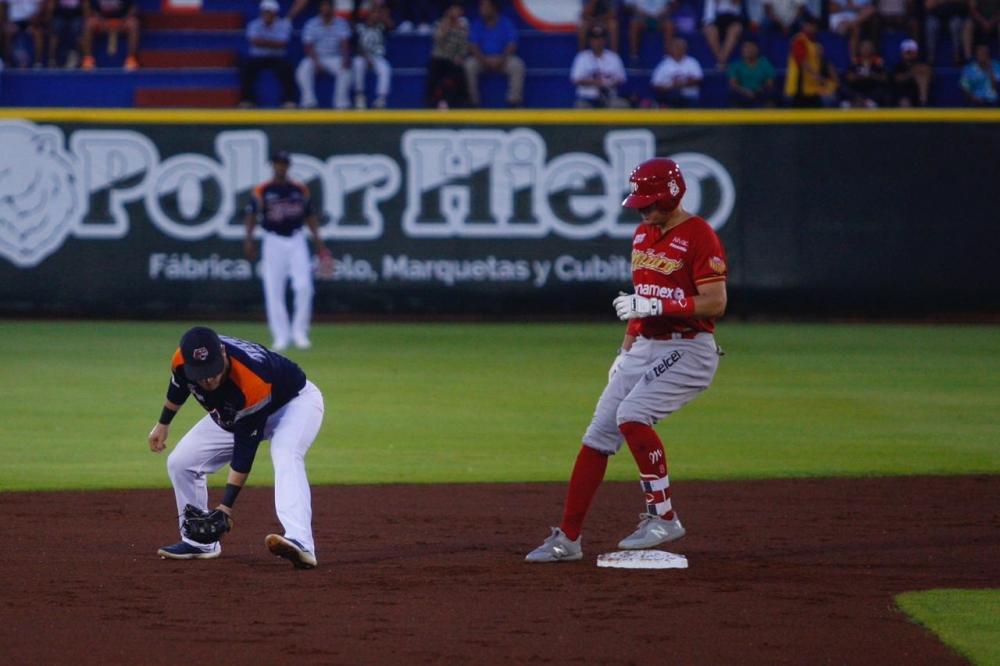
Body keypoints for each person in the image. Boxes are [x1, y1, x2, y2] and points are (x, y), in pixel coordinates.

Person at [525, 157, 727, 564]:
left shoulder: (700, 234)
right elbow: (639, 306)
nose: (643, 209)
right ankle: (568, 539)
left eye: (650, 202)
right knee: (597, 435)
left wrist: (657, 303)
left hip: (689, 347)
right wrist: (625, 348)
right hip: (646, 346)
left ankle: (664, 516)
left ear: (672, 194)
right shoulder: (641, 236)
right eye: (639, 203)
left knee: (632, 415)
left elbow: (715, 302)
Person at [149, 326, 325, 569]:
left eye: (211, 370)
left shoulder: (251, 378)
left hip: (292, 404)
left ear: (222, 353)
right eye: (200, 373)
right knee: (181, 463)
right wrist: (162, 424)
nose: (207, 378)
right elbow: (179, 385)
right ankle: (199, 543)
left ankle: (301, 540)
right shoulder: (182, 359)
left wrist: (225, 506)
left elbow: (245, 448)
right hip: (236, 411)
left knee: (286, 453)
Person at [243, 150, 329, 352]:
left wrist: (319, 243)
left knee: (304, 286)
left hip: (296, 238)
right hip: (272, 239)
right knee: (274, 289)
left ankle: (300, 333)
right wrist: (248, 240)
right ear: (273, 166)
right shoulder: (263, 190)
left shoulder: (299, 189)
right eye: (277, 163)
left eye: (284, 163)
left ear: (288, 166)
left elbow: (310, 216)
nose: (281, 167)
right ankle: (281, 336)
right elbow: (251, 215)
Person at [464, 0, 525, 108]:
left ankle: (514, 101)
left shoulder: (506, 23)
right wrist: (484, 59)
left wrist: (501, 59)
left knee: (517, 65)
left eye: (486, 7)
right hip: (482, 59)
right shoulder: (478, 24)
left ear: (494, 9)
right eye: (481, 7)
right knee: (469, 65)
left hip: (502, 59)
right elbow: (473, 46)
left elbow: (512, 45)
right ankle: (472, 102)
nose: (482, 10)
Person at [239, 0, 296, 109]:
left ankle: (288, 100)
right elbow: (254, 41)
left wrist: (263, 42)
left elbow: (282, 44)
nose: (266, 14)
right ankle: (249, 100)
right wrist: (272, 42)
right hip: (258, 57)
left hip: (277, 57)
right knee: (246, 69)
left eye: (269, 12)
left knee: (287, 69)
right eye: (265, 12)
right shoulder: (254, 24)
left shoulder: (283, 25)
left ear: (275, 13)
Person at [295, 0, 352, 109]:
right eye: (323, 6)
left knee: (345, 71)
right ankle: (309, 102)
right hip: (316, 57)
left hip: (334, 57)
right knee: (302, 69)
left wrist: (345, 58)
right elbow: (308, 46)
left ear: (332, 8)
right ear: (320, 8)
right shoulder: (311, 23)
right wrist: (316, 62)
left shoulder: (341, 23)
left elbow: (345, 43)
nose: (326, 8)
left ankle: (341, 103)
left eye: (328, 6)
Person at [571, 25, 629, 107]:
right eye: (594, 39)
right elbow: (576, 79)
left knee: (622, 105)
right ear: (590, 41)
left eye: (600, 39)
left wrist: (609, 83)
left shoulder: (613, 57)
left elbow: (621, 79)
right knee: (580, 106)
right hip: (587, 98)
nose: (598, 42)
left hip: (609, 97)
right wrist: (594, 83)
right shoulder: (582, 57)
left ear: (605, 40)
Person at [425, 0, 470, 109]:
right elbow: (437, 39)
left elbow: (464, 47)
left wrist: (460, 57)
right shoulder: (439, 23)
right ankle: (431, 100)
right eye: (453, 9)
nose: (455, 12)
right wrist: (446, 27)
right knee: (434, 66)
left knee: (459, 71)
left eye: (457, 10)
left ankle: (458, 101)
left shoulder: (463, 27)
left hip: (453, 59)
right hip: (439, 58)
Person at [352, 0, 393, 109]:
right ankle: (360, 95)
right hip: (363, 57)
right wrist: (367, 59)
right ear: (369, 14)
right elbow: (357, 46)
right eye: (373, 13)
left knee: (385, 68)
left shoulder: (381, 27)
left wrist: (383, 13)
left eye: (377, 13)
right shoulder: (360, 27)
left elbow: (392, 25)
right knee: (357, 63)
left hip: (378, 58)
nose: (375, 16)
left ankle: (381, 99)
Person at [80, 0, 139, 70]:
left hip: (121, 21)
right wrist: (102, 21)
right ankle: (88, 59)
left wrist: (123, 20)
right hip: (102, 21)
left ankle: (131, 59)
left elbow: (133, 8)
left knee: (133, 24)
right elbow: (93, 10)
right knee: (89, 24)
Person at [784, 15, 826, 107]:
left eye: (815, 26)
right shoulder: (799, 40)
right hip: (800, 87)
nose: (814, 28)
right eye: (812, 26)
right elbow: (802, 61)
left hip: (812, 87)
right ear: (805, 26)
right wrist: (816, 75)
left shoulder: (815, 42)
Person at [650, 36, 704, 106]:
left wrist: (683, 84)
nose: (678, 49)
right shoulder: (664, 64)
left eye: (680, 47)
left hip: (689, 96)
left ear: (685, 49)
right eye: (676, 47)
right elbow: (655, 84)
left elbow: (699, 79)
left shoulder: (692, 61)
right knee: (672, 97)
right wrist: (671, 87)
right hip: (669, 96)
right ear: (670, 49)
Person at [728, 39, 778, 107]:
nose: (748, 50)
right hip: (742, 94)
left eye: (751, 47)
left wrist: (757, 91)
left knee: (771, 92)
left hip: (760, 93)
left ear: (757, 50)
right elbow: (733, 84)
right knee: (732, 93)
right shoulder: (735, 65)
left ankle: (769, 116)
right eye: (746, 47)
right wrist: (745, 92)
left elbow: (770, 83)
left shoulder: (765, 64)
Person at [842, 37, 889, 106]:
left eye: (869, 47)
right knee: (844, 88)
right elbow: (849, 77)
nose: (866, 49)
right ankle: (855, 101)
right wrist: (860, 76)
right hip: (857, 89)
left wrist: (872, 75)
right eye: (864, 47)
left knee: (883, 90)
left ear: (873, 49)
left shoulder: (878, 62)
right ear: (860, 49)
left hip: (872, 90)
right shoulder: (855, 62)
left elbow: (884, 78)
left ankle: (869, 102)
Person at [702, 0, 745, 69]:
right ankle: (722, 60)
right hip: (716, 18)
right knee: (709, 30)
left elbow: (736, 2)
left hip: (733, 17)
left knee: (736, 29)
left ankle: (721, 61)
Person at [890, 37, 932, 106]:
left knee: (922, 74)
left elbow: (930, 73)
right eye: (908, 52)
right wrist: (911, 73)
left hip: (916, 93)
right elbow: (897, 78)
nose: (910, 55)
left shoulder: (921, 64)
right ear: (902, 53)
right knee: (904, 102)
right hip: (902, 94)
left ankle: (923, 102)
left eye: (912, 52)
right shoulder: (898, 67)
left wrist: (918, 72)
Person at [3, 0, 46, 67]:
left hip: (32, 21)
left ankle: (38, 62)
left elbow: (41, 7)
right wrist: (5, 21)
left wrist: (36, 19)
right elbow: (2, 7)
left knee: (38, 32)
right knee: (7, 31)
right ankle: (7, 62)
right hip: (14, 21)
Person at [925, 0, 970, 64]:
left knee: (956, 24)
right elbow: (928, 6)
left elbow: (965, 3)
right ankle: (931, 56)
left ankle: (956, 55)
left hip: (955, 15)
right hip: (937, 16)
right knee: (931, 25)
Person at [47, 0, 85, 68]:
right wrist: (49, 18)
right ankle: (52, 59)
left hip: (76, 14)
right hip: (61, 14)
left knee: (78, 27)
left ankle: (83, 59)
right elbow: (52, 4)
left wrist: (86, 18)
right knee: (56, 27)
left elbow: (85, 4)